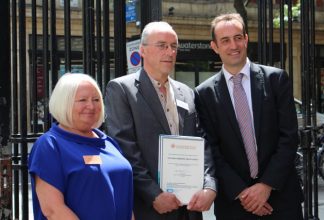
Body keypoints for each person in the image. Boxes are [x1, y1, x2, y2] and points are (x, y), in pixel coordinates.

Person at [194, 13, 304, 219]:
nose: (233, 45)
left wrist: (265, 186)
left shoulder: (276, 79)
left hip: (281, 199)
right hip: (235, 204)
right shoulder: (204, 93)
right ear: (215, 47)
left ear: (246, 39)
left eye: (237, 37)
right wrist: (244, 194)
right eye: (225, 40)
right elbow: (211, 149)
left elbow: (289, 137)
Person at [105, 21, 217, 220]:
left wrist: (209, 185)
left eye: (174, 46)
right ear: (142, 50)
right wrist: (153, 194)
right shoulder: (121, 89)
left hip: (189, 209)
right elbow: (125, 148)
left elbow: (202, 142)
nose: (170, 52)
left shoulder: (187, 93)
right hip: (149, 209)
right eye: (162, 45)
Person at [28, 73, 133, 220]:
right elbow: (53, 210)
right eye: (82, 100)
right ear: (64, 103)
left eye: (96, 99)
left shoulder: (109, 143)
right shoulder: (50, 145)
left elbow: (126, 205)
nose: (91, 106)